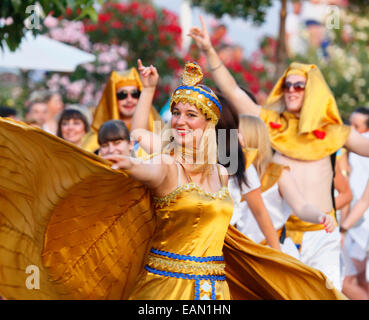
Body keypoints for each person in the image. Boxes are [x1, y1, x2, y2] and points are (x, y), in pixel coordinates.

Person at [0, 62, 347, 300]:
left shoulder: (223, 170)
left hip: (214, 290)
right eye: (176, 113)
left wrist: (275, 248)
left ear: (209, 123)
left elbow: (245, 221)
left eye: (190, 115)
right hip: (166, 291)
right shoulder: (166, 162)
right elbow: (141, 150)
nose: (180, 121)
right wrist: (127, 160)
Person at [188, 16, 369, 291]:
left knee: (329, 295)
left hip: (322, 233)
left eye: (299, 85)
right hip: (281, 235)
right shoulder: (273, 125)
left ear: (314, 91)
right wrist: (209, 52)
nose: (292, 90)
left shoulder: (333, 131)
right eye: (288, 85)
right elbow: (234, 92)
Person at [235, 115, 335, 258]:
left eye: (236, 133)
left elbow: (301, 207)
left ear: (251, 138)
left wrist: (320, 216)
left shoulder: (278, 173)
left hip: (272, 252)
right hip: (236, 255)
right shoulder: (229, 173)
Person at [81, 67, 162, 154]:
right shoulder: (94, 141)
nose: (129, 100)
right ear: (112, 99)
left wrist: (148, 89)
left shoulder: (159, 131)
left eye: (135, 94)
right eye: (122, 95)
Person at [341, 107, 369, 299]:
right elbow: (363, 200)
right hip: (358, 223)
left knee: (346, 281)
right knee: (355, 279)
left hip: (361, 225)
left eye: (356, 126)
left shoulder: (360, 147)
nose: (352, 129)